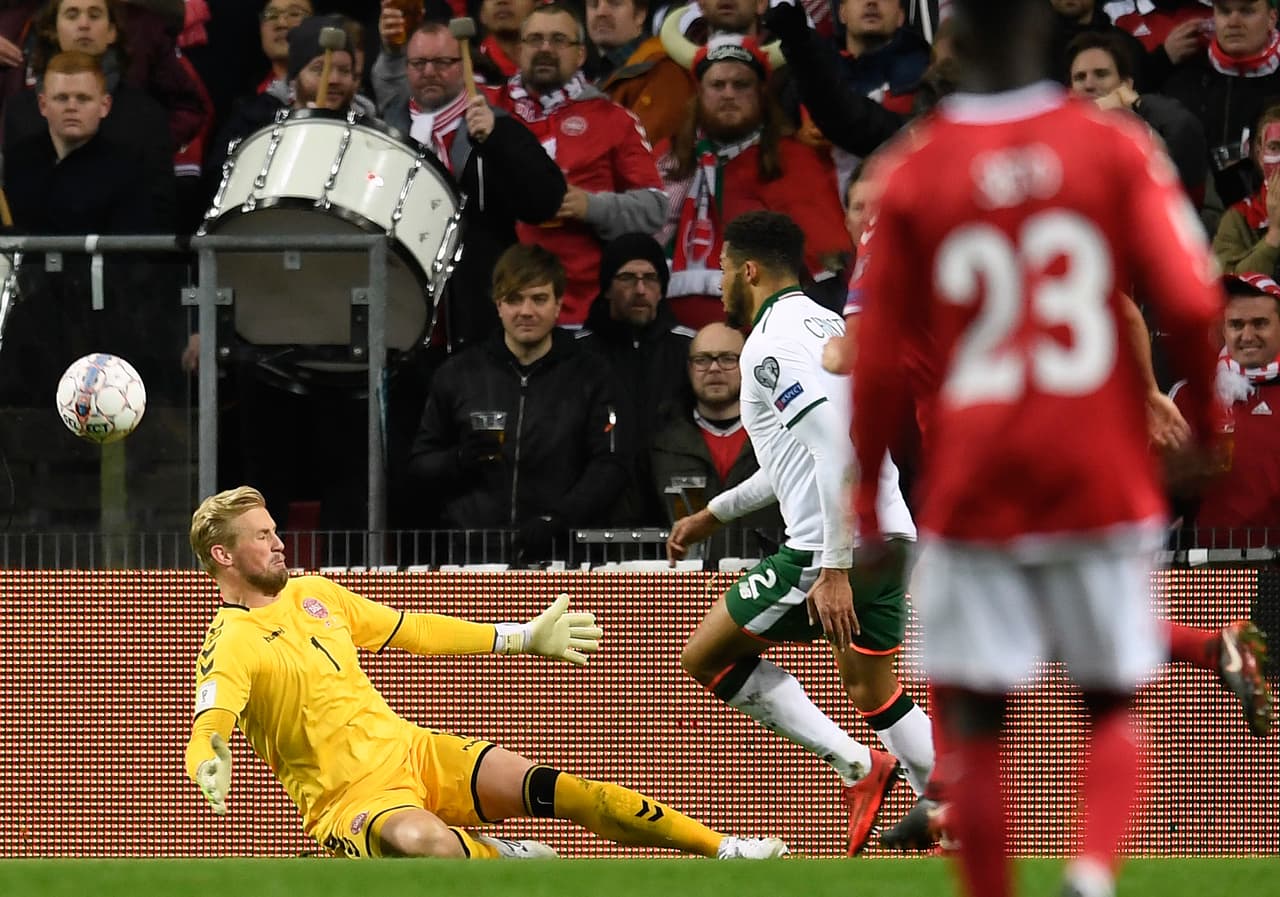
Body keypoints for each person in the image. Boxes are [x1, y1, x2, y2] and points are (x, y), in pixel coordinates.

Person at [849, 3, 1224, 896]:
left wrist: (864, 500)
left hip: (974, 472)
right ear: (1042, 36)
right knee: (1109, 699)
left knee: (978, 723)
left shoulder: (913, 171)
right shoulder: (1114, 145)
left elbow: (876, 359)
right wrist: (1206, 423)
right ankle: (1090, 873)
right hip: (1097, 465)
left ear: (951, 45)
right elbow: (1190, 300)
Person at [184, 485, 789, 860]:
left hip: (414, 751)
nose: (280, 543)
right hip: (350, 802)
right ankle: (499, 857)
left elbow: (414, 630)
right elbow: (210, 724)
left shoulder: (315, 593)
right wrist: (208, 760)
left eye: (275, 530)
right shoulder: (232, 640)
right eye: (263, 536)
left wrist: (522, 637)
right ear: (223, 555)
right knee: (424, 844)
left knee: (563, 789)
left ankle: (726, 849)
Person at [666, 211, 934, 856]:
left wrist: (833, 569)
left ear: (748, 271)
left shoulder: (767, 348)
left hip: (827, 548)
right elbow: (798, 461)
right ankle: (950, 810)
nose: (721, 283)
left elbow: (834, 455)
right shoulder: (830, 326)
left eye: (724, 270)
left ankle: (857, 766)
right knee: (873, 690)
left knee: (705, 656)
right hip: (891, 533)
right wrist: (713, 514)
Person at [408, 244, 629, 563]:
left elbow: (610, 465)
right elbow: (420, 465)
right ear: (498, 304)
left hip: (563, 555)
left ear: (559, 304)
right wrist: (458, 460)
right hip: (472, 557)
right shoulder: (458, 374)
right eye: (514, 299)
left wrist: (557, 519)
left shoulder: (592, 374)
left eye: (539, 299)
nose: (526, 311)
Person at [371, 19, 566, 350]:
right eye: (419, 63)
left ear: (463, 66)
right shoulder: (385, 131)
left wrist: (497, 140)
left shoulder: (496, 124)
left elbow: (545, 200)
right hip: (403, 307)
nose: (429, 72)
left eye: (442, 62)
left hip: (479, 310)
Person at [492, 1, 667, 326]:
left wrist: (591, 207)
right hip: (500, 313)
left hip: (586, 315)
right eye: (535, 39)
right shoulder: (487, 112)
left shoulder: (613, 119)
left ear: (581, 55)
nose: (546, 48)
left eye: (559, 40)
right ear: (519, 50)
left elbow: (655, 207)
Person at [658, 36, 851, 330]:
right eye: (717, 85)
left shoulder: (794, 160)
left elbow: (825, 263)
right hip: (669, 336)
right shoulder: (668, 158)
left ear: (761, 92)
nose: (728, 94)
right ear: (699, 92)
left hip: (765, 336)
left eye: (741, 85)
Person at [576, 233, 695, 525]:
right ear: (607, 288)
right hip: (595, 513)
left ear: (662, 289)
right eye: (627, 278)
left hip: (673, 510)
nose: (640, 289)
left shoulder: (691, 350)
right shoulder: (576, 354)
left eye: (650, 278)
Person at [650, 321, 785, 564]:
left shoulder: (781, 438)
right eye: (702, 360)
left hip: (769, 577)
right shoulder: (660, 446)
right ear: (689, 368)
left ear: (748, 365)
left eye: (727, 358)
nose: (714, 368)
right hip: (686, 579)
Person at [1066, 29, 1208, 202]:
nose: (1089, 84)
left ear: (1126, 84)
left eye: (1101, 74)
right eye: (1080, 77)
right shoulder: (1056, 141)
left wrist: (1132, 112)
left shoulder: (1161, 125)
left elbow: (1184, 194)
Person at [586, 0, 692, 145]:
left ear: (640, 15)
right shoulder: (594, 73)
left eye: (614, 3)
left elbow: (644, 148)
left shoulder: (663, 69)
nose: (601, 12)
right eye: (593, 4)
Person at [1213, 104, 1280, 276]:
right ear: (1259, 154)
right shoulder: (1237, 219)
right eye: (1275, 147)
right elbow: (1227, 282)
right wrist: (1274, 234)